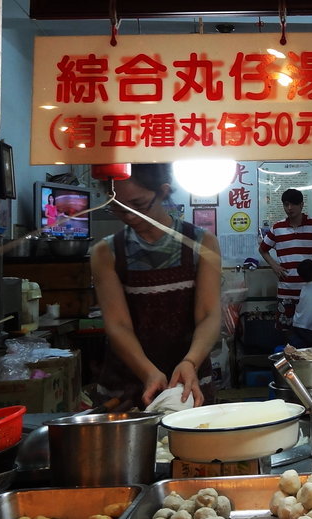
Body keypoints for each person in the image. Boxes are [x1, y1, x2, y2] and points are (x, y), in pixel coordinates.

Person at [92, 163, 222, 407]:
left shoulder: (201, 243)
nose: (129, 216)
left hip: (189, 384)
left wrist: (190, 362)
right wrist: (148, 372)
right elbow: (118, 325)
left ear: (163, 191)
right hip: (126, 387)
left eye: (139, 204)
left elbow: (208, 314)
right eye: (118, 207)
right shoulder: (106, 253)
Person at [259, 188, 312, 322]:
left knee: (310, 328)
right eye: (286, 204)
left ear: (301, 205)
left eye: (293, 204)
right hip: (286, 291)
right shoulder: (277, 228)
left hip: (310, 292)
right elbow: (263, 249)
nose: (289, 208)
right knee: (285, 329)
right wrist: (274, 266)